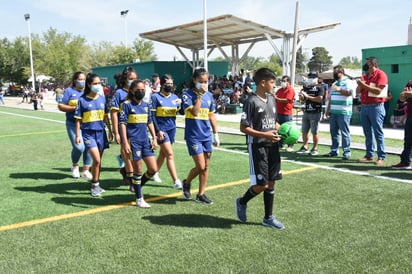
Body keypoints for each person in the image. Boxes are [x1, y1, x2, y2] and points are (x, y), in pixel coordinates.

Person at [235, 67, 285, 230]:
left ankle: (268, 217)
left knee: (271, 182)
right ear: (262, 83)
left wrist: (285, 131)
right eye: (272, 82)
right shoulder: (251, 102)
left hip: (273, 146)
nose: (274, 85)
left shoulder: (271, 99)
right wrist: (265, 135)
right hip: (258, 147)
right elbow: (244, 128)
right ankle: (242, 201)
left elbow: (274, 122)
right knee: (262, 184)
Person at [181, 67, 220, 205]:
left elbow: (211, 115)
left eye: (206, 81)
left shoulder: (209, 96)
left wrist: (216, 133)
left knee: (206, 166)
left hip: (206, 135)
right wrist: (200, 97)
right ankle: (186, 182)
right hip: (193, 136)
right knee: (201, 166)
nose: (204, 84)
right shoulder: (187, 95)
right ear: (194, 80)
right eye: (201, 81)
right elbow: (195, 112)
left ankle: (201, 194)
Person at [119, 79, 158, 208]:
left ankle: (138, 185)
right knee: (138, 170)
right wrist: (125, 142)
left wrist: (154, 137)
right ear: (132, 91)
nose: (141, 92)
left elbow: (150, 122)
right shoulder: (127, 105)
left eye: (143, 90)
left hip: (145, 141)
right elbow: (122, 124)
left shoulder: (146, 105)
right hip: (133, 142)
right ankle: (139, 198)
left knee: (153, 169)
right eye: (138, 90)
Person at [74, 73, 110, 197]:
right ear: (89, 85)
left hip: (101, 132)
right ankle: (94, 185)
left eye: (99, 83)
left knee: (98, 162)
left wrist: (110, 130)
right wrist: (77, 135)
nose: (97, 85)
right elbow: (78, 119)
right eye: (95, 83)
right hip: (88, 134)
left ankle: (96, 183)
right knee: (97, 159)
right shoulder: (82, 100)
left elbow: (106, 117)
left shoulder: (102, 98)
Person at [150, 74, 183, 189]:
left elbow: (182, 112)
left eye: (171, 84)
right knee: (169, 154)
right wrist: (157, 131)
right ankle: (176, 181)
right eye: (167, 84)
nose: (169, 86)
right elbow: (152, 116)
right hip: (162, 130)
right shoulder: (155, 97)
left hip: (172, 129)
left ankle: (154, 172)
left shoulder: (174, 97)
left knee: (163, 154)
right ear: (162, 84)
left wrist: (181, 103)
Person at [58, 72, 93, 179]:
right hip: (72, 124)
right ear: (75, 80)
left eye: (84, 79)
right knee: (79, 147)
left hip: (88, 124)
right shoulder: (69, 91)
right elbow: (61, 106)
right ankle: (75, 166)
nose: (82, 81)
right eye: (80, 79)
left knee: (89, 147)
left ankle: (86, 170)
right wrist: (75, 108)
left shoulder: (88, 92)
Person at [356, 56, 388, 166]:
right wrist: (360, 85)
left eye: (368, 63)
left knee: (378, 132)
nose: (366, 65)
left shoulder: (381, 74)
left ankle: (381, 157)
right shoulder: (365, 76)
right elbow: (358, 91)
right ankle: (369, 155)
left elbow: (379, 90)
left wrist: (364, 84)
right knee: (367, 132)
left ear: (373, 64)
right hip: (364, 106)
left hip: (376, 107)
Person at [110, 66, 138, 188]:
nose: (134, 81)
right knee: (128, 153)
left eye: (135, 78)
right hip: (124, 128)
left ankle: (125, 171)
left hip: (137, 128)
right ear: (125, 79)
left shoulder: (138, 92)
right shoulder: (119, 93)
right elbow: (114, 113)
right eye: (131, 79)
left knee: (137, 155)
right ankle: (132, 179)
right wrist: (116, 132)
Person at [323, 65, 354, 160]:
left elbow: (349, 93)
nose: (334, 74)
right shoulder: (335, 83)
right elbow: (331, 98)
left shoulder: (348, 82)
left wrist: (339, 89)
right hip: (334, 111)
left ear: (341, 72)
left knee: (344, 132)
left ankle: (347, 152)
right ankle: (334, 150)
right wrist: (327, 110)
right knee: (334, 132)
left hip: (344, 112)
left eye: (336, 72)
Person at [296, 71, 325, 156]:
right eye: (310, 77)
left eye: (313, 77)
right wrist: (301, 97)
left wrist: (307, 96)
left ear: (317, 78)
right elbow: (302, 101)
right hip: (306, 111)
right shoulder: (306, 88)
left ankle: (315, 148)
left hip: (315, 112)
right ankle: (305, 146)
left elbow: (319, 99)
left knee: (314, 131)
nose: (311, 78)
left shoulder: (320, 87)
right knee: (304, 131)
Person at [391, 80, 412, 169]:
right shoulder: (410, 83)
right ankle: (405, 162)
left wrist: (408, 93)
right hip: (410, 116)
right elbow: (402, 98)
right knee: (408, 141)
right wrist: (406, 94)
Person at [274, 75, 296, 152]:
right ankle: (281, 144)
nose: (282, 82)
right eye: (282, 81)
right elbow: (275, 97)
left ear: (288, 82)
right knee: (280, 130)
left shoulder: (290, 90)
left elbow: (287, 100)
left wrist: (277, 99)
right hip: (278, 112)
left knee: (289, 130)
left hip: (286, 113)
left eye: (284, 81)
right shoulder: (279, 90)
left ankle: (291, 145)